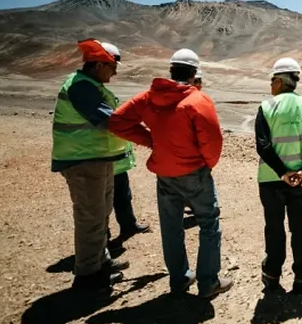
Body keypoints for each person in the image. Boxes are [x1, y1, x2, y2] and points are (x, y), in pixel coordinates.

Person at [108, 48, 232, 297]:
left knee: (171, 226)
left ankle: (180, 279)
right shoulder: (198, 100)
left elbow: (117, 122)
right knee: (209, 223)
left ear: (171, 70)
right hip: (195, 171)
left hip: (165, 173)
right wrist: (207, 163)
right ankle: (208, 282)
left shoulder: (149, 98)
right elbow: (212, 141)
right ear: (194, 72)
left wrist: (153, 141)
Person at [51, 39, 130, 291]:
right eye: (111, 67)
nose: (114, 72)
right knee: (91, 219)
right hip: (83, 161)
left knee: (101, 212)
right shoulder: (81, 88)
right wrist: (149, 135)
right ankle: (87, 277)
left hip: (97, 159)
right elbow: (110, 121)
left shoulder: (91, 84)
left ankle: (101, 262)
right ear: (97, 65)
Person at [255, 57, 302, 293]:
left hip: (271, 180)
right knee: (300, 227)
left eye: (271, 81)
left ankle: (272, 274)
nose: (270, 86)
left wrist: (282, 172)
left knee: (274, 227)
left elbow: (263, 145)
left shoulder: (267, 107)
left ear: (278, 81)